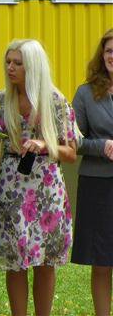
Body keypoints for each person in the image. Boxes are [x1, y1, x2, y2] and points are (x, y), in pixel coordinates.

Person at [0, 39, 80, 316]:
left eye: (18, 63)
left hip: (46, 189)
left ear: (33, 67)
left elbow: (71, 152)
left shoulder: (55, 101)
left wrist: (44, 145)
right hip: (10, 188)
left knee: (45, 262)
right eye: (8, 62)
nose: (10, 67)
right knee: (15, 262)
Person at [71, 29, 113, 316]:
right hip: (98, 186)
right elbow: (72, 140)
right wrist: (102, 146)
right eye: (109, 51)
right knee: (102, 261)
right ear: (102, 55)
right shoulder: (85, 93)